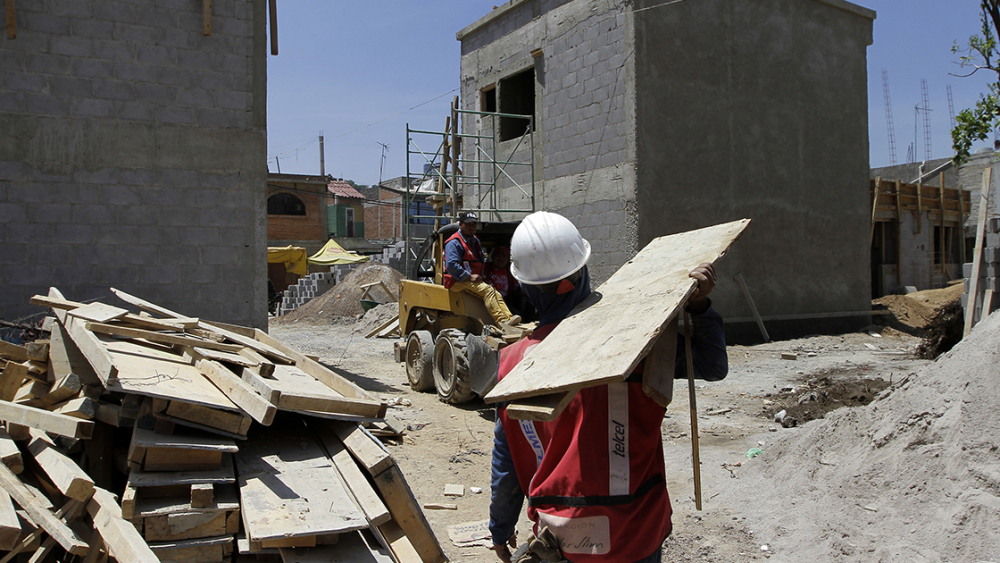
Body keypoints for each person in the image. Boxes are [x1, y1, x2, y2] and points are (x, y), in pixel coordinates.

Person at [489, 211, 728, 563]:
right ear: (582, 274)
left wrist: (500, 526)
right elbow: (713, 366)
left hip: (563, 536)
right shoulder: (636, 343)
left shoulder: (511, 363)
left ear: (525, 288)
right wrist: (699, 306)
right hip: (639, 531)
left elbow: (506, 457)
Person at [444, 211, 520, 326]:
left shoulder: (474, 241)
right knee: (488, 291)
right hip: (457, 280)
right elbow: (451, 265)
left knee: (496, 293)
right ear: (460, 224)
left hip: (470, 280)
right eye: (468, 224)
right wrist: (469, 276)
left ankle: (509, 319)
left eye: (474, 224)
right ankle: (502, 321)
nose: (472, 227)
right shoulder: (454, 243)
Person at [483, 246, 521, 315]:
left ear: (508, 259)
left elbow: (516, 289)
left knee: (516, 314)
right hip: (485, 304)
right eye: (498, 254)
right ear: (492, 257)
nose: (500, 258)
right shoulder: (484, 268)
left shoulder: (511, 272)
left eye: (503, 255)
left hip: (503, 304)